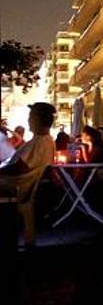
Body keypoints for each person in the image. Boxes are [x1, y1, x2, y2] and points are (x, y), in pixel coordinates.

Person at [0, 103, 57, 248]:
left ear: (38, 119)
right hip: (16, 184)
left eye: (31, 116)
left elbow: (21, 167)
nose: (28, 120)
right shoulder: (41, 140)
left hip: (17, 186)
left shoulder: (41, 142)